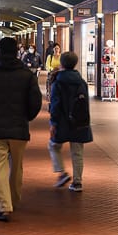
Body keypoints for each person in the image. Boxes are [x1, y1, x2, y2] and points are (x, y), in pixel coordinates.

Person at [0, 37, 43, 222]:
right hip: (19, 128)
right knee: (17, 167)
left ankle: (4, 206)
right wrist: (27, 116)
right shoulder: (27, 75)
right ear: (16, 52)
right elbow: (36, 101)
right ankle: (13, 199)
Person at [47, 51, 92, 192]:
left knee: (54, 146)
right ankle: (77, 182)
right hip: (79, 121)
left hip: (62, 121)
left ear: (61, 63)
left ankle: (62, 172)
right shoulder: (82, 82)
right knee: (77, 152)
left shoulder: (58, 81)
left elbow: (55, 104)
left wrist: (53, 123)